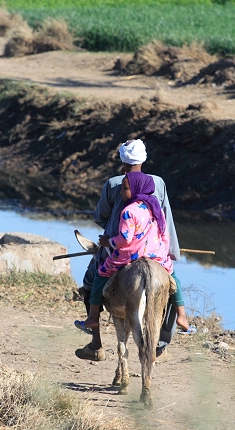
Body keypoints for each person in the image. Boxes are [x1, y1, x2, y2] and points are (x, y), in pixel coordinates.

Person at [75, 139, 195, 362]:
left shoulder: (114, 184)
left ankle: (95, 341)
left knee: (92, 280)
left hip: (120, 248)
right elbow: (166, 219)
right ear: (144, 159)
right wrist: (169, 250)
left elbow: (100, 218)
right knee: (170, 283)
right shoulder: (157, 183)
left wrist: (109, 239)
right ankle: (162, 341)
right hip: (155, 249)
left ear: (123, 163)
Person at [75, 171, 175, 331]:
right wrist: (163, 252)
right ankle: (180, 315)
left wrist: (108, 242)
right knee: (172, 280)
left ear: (136, 189)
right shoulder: (156, 209)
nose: (121, 192)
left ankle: (93, 317)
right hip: (157, 255)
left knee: (100, 273)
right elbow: (165, 235)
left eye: (124, 188)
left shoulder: (128, 211)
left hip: (130, 254)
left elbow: (124, 239)